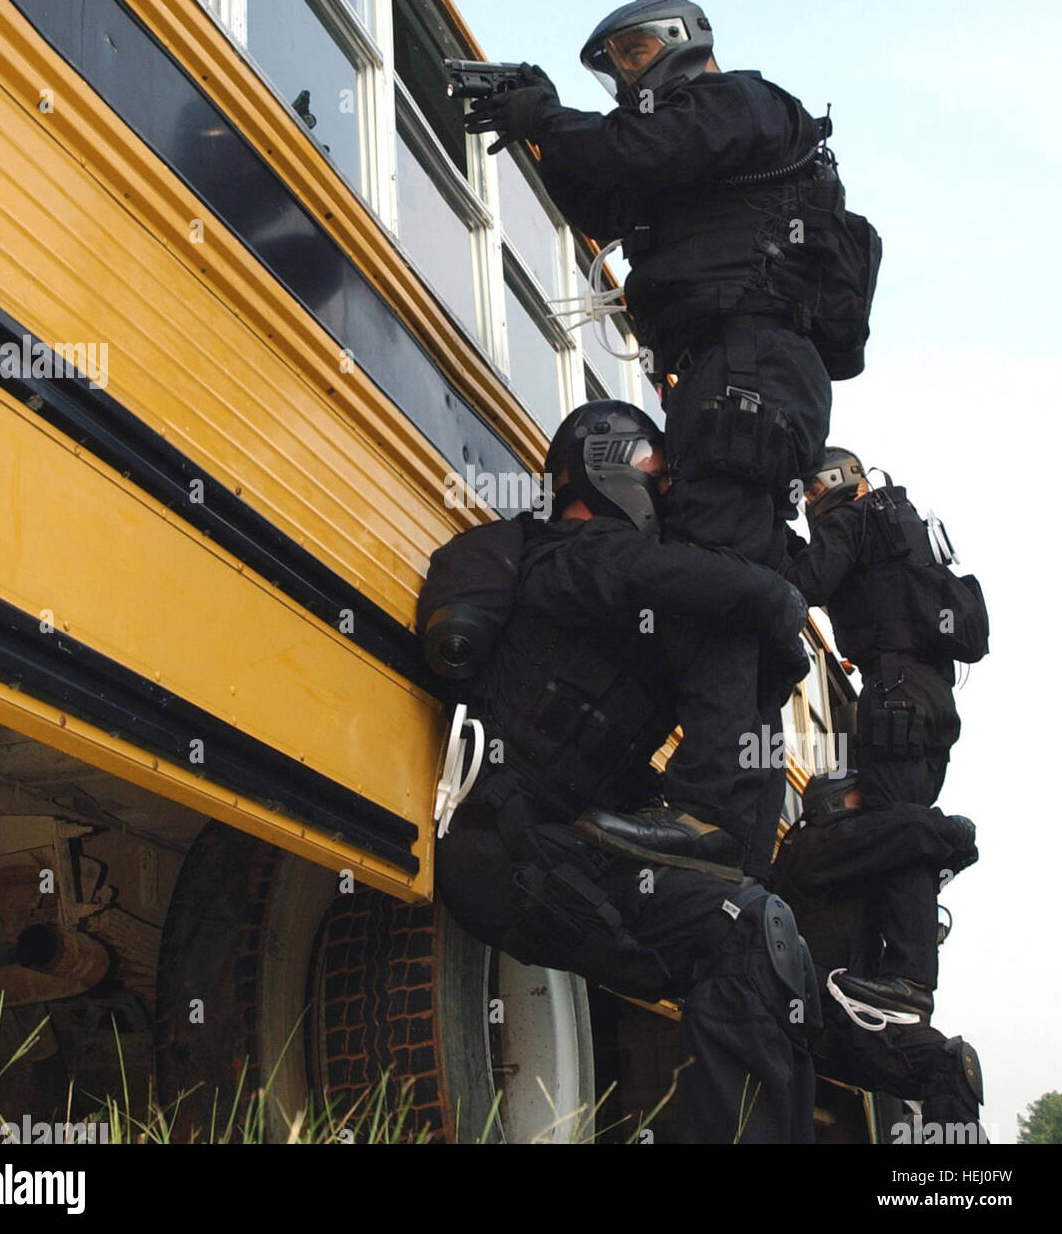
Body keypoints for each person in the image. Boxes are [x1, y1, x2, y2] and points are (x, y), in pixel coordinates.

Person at [463, 0, 879, 877]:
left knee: (718, 576)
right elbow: (609, 191)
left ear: (690, 40)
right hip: (746, 372)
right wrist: (546, 135)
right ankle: (736, 853)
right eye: (613, 60)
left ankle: (710, 815)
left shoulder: (741, 103)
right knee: (743, 585)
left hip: (743, 369)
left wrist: (549, 114)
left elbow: (641, 149)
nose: (626, 70)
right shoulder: (712, 147)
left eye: (637, 47)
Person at [419, 400, 819, 1143]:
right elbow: (646, 573)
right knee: (741, 930)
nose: (664, 491)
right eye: (655, 473)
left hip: (565, 852)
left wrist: (767, 665)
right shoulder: (556, 559)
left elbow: (699, 613)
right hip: (501, 849)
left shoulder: (650, 604)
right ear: (602, 463)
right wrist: (768, 594)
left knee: (761, 937)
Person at [780, 449, 989, 1016]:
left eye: (807, 498)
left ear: (826, 486)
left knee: (896, 831)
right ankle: (902, 970)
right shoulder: (900, 528)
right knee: (897, 836)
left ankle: (910, 977)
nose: (806, 510)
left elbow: (809, 581)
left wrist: (768, 540)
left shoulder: (851, 520)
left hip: (893, 691)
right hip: (932, 695)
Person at [773, 772, 986, 1138]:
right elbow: (906, 829)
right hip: (815, 1014)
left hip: (854, 1018)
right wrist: (947, 831)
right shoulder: (814, 847)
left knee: (951, 1067)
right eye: (864, 802)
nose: (874, 814)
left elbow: (902, 845)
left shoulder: (854, 863)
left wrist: (949, 855)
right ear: (834, 803)